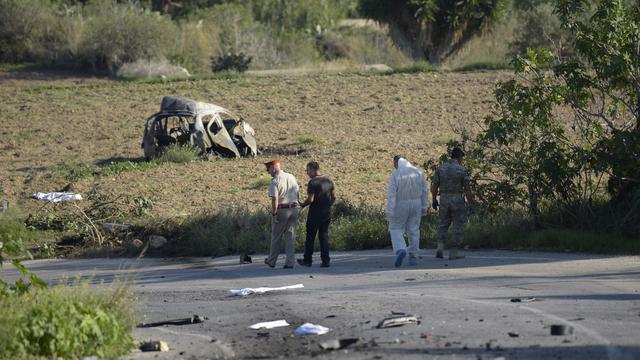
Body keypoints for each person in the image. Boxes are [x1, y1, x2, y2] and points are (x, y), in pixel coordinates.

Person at [431, 147, 476, 260]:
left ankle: (440, 247)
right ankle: (454, 252)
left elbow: (434, 186)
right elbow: (467, 189)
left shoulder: (441, 168)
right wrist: (471, 203)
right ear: (460, 157)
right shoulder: (461, 170)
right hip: (457, 200)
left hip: (444, 199)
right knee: (458, 224)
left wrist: (434, 199)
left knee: (443, 223)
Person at [386, 155, 429, 267]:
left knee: (395, 227)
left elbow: (392, 195)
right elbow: (425, 190)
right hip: (416, 203)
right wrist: (424, 206)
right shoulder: (418, 172)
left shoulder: (396, 174)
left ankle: (400, 249)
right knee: (414, 229)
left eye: (394, 164)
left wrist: (390, 212)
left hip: (401, 203)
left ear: (397, 163)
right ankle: (413, 257)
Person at [297, 161, 336, 268]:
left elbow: (311, 199)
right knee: (324, 237)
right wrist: (328, 206)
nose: (307, 173)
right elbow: (333, 197)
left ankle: (307, 260)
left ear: (313, 169)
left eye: (308, 170)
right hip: (326, 214)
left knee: (310, 238)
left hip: (314, 215)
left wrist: (303, 205)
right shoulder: (329, 180)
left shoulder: (313, 182)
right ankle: (325, 260)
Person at [264, 159, 300, 269]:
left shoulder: (275, 181)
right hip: (294, 208)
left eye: (268, 169)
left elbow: (275, 199)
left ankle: (271, 261)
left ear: (274, 168)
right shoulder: (291, 176)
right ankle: (290, 262)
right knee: (290, 237)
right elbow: (297, 192)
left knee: (276, 237)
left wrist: (274, 214)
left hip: (282, 210)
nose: (268, 171)